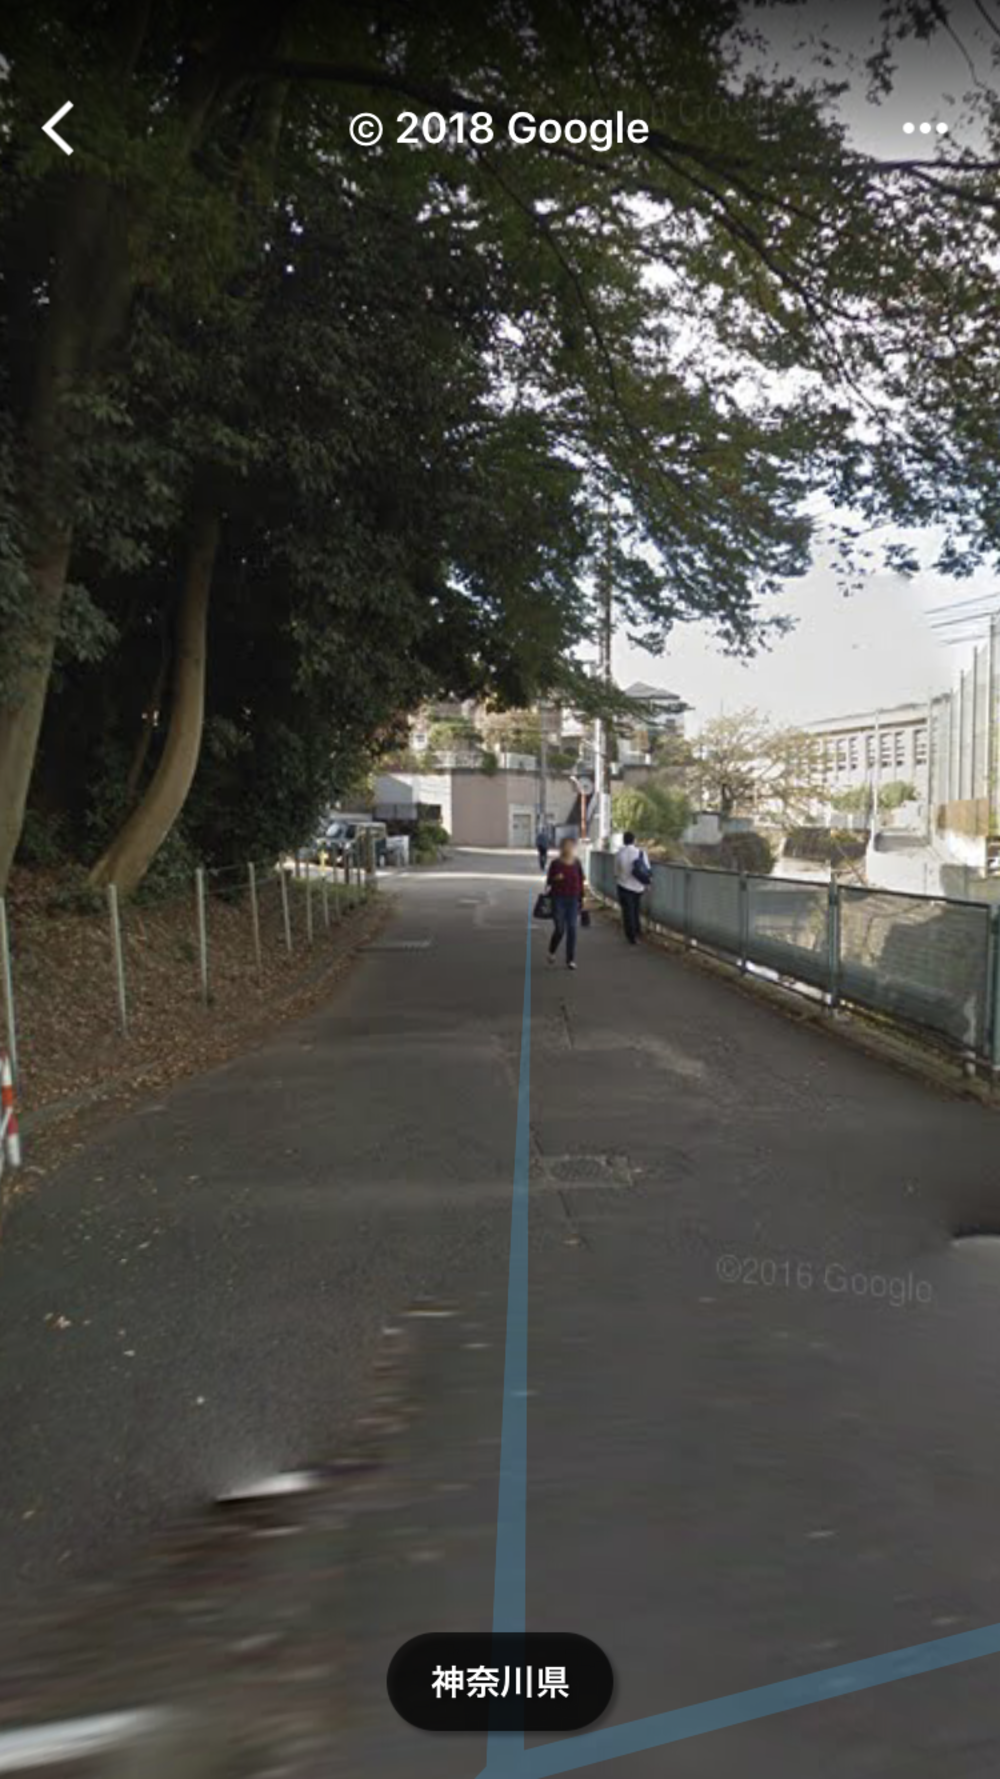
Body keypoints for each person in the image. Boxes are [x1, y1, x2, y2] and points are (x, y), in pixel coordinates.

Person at [545, 836, 586, 970]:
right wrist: (555, 878)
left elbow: (581, 881)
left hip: (573, 900)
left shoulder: (577, 863)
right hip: (558, 899)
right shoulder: (556, 863)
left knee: (572, 929)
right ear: (562, 848)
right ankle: (552, 951)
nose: (568, 848)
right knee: (560, 929)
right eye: (566, 845)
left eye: (571, 846)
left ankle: (570, 959)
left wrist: (582, 898)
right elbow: (549, 881)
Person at [614, 829, 649, 945]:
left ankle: (631, 935)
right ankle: (637, 931)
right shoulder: (641, 853)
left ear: (624, 841)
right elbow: (647, 869)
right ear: (634, 840)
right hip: (638, 887)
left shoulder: (619, 853)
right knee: (635, 909)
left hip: (623, 886)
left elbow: (616, 871)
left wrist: (621, 877)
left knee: (627, 912)